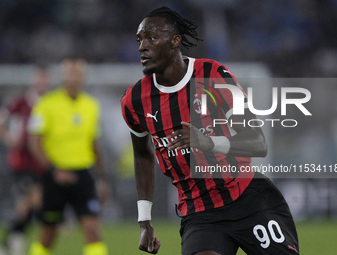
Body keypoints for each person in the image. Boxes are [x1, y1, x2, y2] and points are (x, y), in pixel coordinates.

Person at [121, 6, 299, 255]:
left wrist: (208, 142)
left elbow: (257, 142)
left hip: (249, 199)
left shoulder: (214, 75)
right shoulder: (135, 100)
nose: (142, 46)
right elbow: (142, 155)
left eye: (151, 38)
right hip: (200, 214)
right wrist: (145, 221)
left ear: (175, 41)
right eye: (139, 39)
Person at [27, 57, 109, 255]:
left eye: (77, 73)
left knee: (92, 229)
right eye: (69, 73)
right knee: (48, 233)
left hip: (83, 175)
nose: (73, 77)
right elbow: (34, 143)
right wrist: (54, 170)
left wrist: (102, 178)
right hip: (55, 175)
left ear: (83, 76)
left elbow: (94, 143)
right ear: (63, 76)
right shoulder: (46, 104)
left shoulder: (91, 105)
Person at [0, 65, 50, 255]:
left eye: (45, 80)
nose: (42, 83)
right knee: (35, 201)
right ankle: (13, 242)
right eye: (39, 79)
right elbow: (2, 121)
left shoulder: (49, 103)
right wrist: (9, 140)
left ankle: (11, 241)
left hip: (40, 162)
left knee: (26, 206)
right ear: (34, 80)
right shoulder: (20, 102)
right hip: (21, 162)